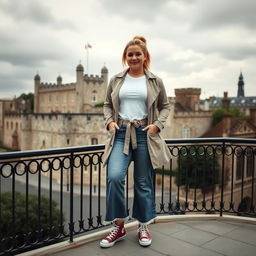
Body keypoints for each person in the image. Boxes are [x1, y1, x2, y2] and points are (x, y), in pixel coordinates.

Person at [100, 36, 171, 248]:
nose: (133, 57)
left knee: (143, 182)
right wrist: (110, 122)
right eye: (130, 54)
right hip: (121, 133)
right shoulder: (116, 79)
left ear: (145, 56)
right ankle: (119, 226)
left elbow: (165, 106)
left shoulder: (155, 81)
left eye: (137, 54)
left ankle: (143, 226)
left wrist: (157, 124)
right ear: (125, 56)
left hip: (144, 134)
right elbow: (106, 104)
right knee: (114, 177)